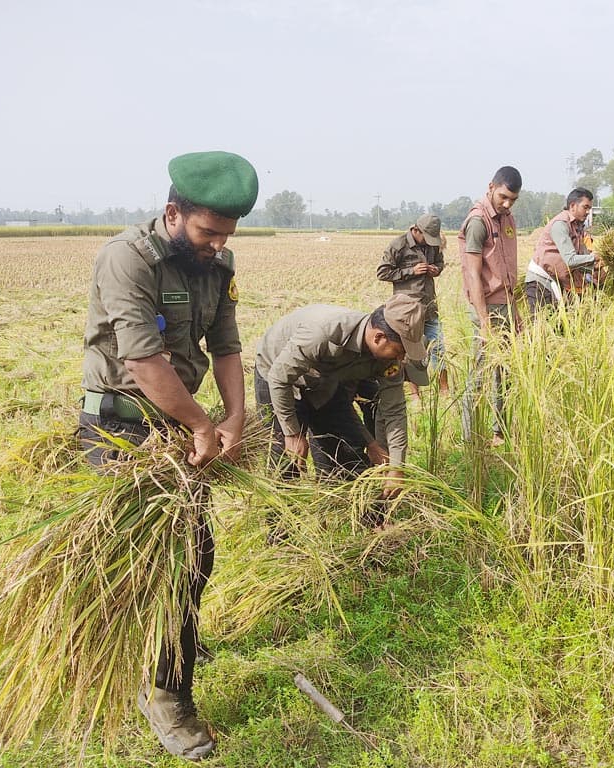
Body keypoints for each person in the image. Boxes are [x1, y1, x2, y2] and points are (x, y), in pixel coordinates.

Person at [78, 150, 258, 760]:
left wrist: (232, 417)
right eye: (208, 233)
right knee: (151, 564)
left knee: (194, 557)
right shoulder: (127, 258)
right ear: (173, 212)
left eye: (226, 235)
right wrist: (204, 425)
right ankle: (164, 692)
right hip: (121, 432)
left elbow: (227, 347)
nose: (216, 246)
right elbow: (141, 360)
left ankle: (167, 649)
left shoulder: (218, 264)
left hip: (182, 429)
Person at [254, 294, 427, 500]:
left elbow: (394, 409)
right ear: (378, 337)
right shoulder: (323, 333)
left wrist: (396, 467)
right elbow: (279, 378)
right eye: (399, 351)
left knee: (346, 451)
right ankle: (280, 530)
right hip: (277, 375)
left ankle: (340, 515)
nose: (400, 359)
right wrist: (291, 432)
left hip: (325, 380)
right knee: (287, 461)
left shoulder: (388, 358)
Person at [458, 166, 522, 444]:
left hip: (506, 306)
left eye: (513, 200)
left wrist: (516, 311)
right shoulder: (477, 221)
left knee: (504, 374)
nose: (507, 204)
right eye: (503, 197)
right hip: (486, 310)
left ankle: (500, 432)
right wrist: (484, 322)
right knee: (480, 375)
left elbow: (507, 269)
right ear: (491, 187)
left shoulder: (507, 219)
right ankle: (469, 438)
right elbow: (473, 274)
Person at [376, 214, 449, 398]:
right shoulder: (398, 245)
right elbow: (383, 272)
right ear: (416, 230)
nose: (429, 242)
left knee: (439, 348)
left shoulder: (433, 244)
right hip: (407, 310)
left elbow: (440, 262)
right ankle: (414, 393)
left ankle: (444, 390)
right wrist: (411, 271)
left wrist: (436, 270)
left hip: (429, 307)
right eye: (426, 237)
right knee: (410, 352)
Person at [524, 187, 601, 313]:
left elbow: (580, 259)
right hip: (541, 281)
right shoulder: (561, 224)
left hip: (557, 281)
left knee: (560, 325)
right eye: (585, 207)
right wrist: (594, 258)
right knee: (542, 326)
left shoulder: (578, 228)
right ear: (572, 206)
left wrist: (595, 266)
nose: (587, 212)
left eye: (589, 208)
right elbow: (570, 260)